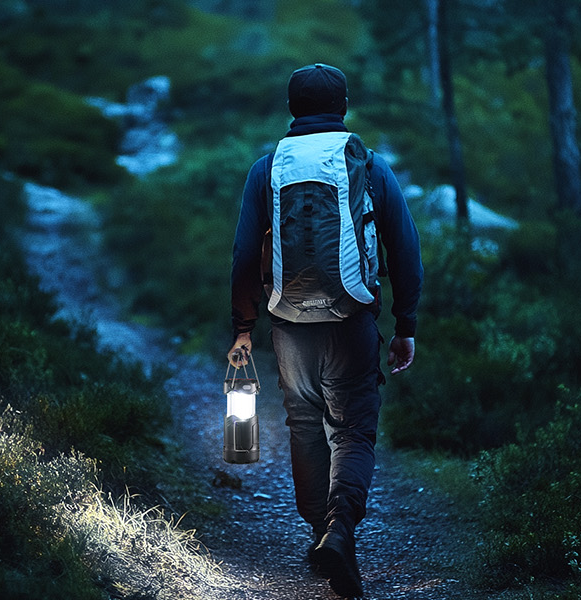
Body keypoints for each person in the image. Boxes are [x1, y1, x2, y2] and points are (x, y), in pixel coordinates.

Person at [227, 63, 423, 598]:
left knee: (305, 427)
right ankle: (339, 529)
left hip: (288, 325)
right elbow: (404, 249)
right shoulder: (368, 165)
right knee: (353, 431)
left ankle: (320, 531)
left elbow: (245, 254)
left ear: (293, 107)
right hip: (352, 322)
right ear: (343, 107)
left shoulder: (266, 168)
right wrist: (405, 324)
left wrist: (244, 326)